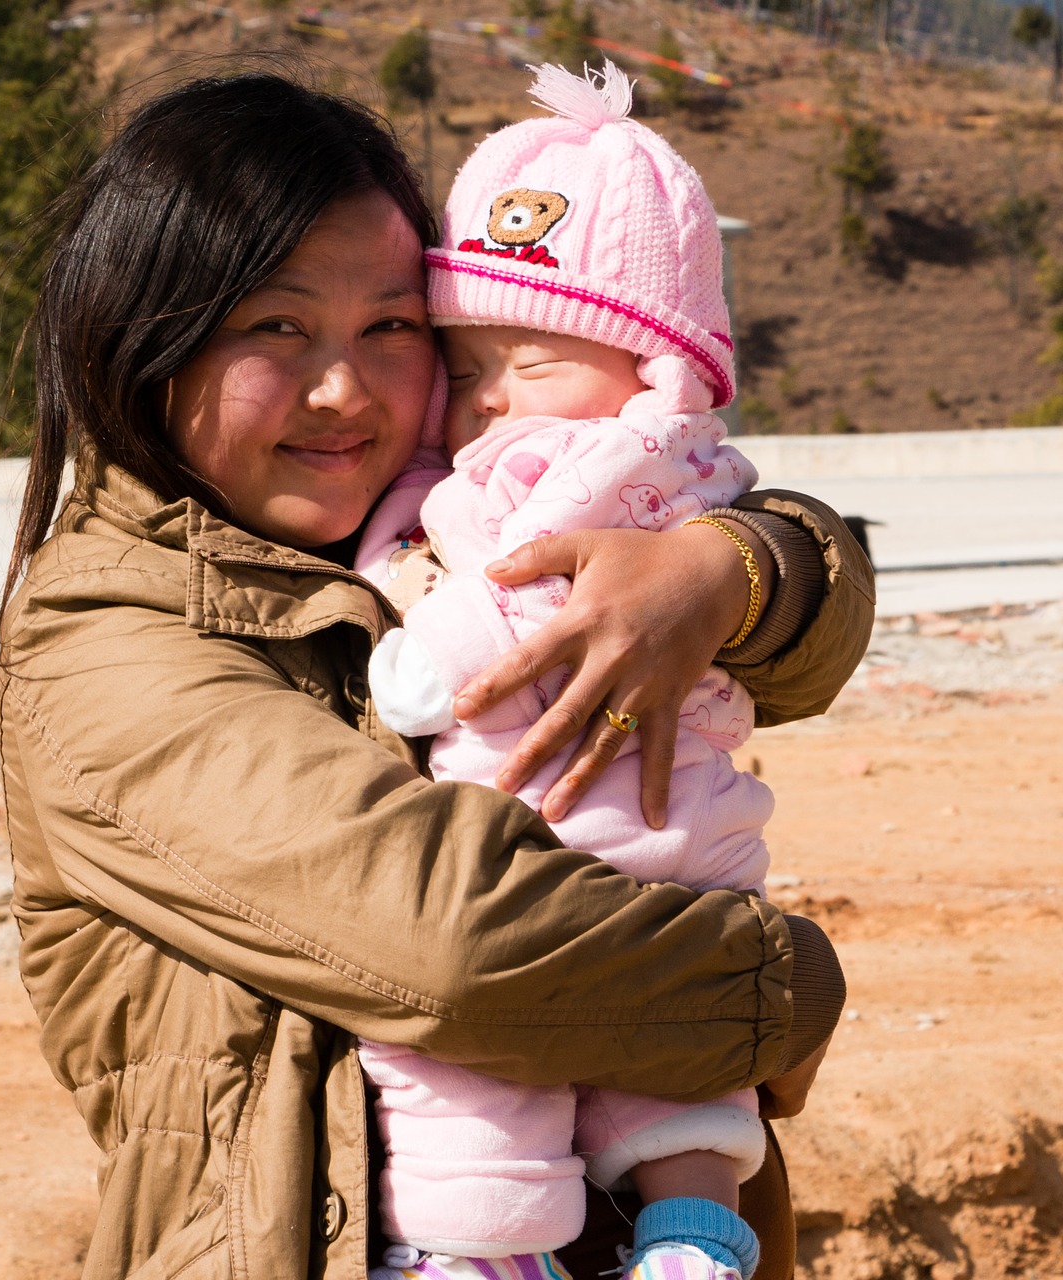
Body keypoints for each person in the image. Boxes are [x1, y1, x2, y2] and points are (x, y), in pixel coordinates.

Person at [0, 68, 873, 1280]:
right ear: (146, 338)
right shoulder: (106, 634)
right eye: (274, 325)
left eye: (393, 328)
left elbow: (808, 615)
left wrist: (731, 566)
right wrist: (781, 988)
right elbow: (449, 947)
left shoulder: (437, 530)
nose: (344, 388)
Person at [355, 62, 789, 1280]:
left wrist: (419, 662)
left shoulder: (583, 467)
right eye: (470, 359)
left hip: (573, 826)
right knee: (676, 1067)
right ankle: (694, 1229)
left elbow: (518, 608)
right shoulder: (679, 470)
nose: (492, 397)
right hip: (672, 839)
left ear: (649, 362)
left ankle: (478, 1249)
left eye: (533, 360)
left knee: (462, 1065)